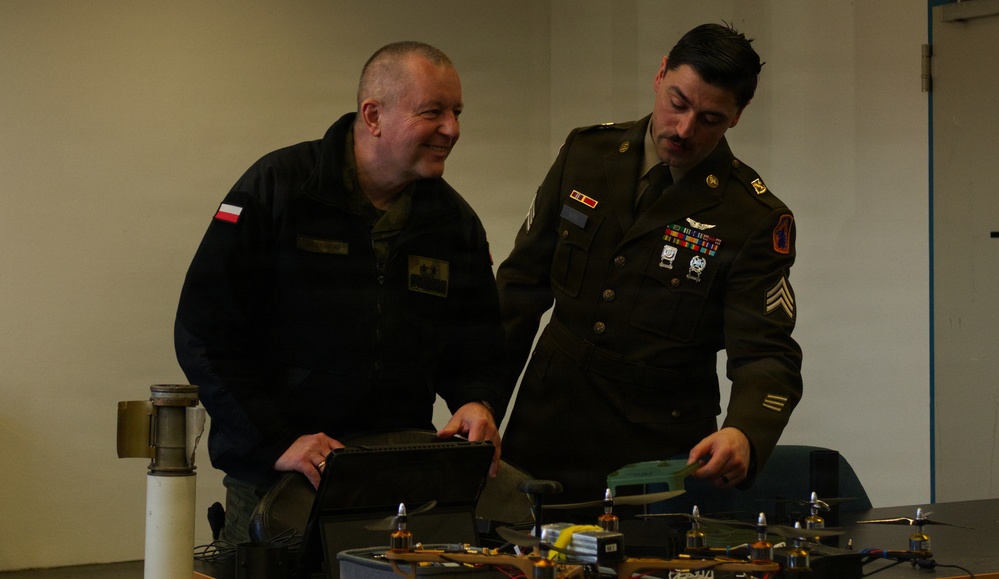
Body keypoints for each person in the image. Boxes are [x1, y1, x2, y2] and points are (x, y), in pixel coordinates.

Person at [174, 41, 507, 544]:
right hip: (277, 482)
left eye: (456, 112)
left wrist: (477, 401)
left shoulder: (454, 223)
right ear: (373, 115)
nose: (452, 129)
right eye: (432, 112)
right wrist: (276, 440)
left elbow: (477, 344)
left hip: (392, 484)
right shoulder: (278, 190)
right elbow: (204, 332)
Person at [496, 23, 803, 505]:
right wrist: (480, 403)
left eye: (709, 118)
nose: (684, 130)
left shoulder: (750, 217)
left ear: (737, 117)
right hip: (544, 427)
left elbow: (767, 353)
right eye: (678, 103)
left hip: (653, 455)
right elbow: (518, 291)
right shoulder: (586, 153)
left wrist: (745, 431)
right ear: (660, 74)